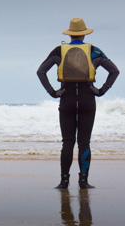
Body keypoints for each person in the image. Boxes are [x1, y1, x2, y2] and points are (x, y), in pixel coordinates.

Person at [36, 18, 119, 189]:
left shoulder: (59, 50)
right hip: (88, 98)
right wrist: (102, 90)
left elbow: (41, 71)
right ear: (83, 34)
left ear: (70, 34)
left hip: (66, 98)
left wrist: (52, 92)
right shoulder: (94, 51)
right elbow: (114, 71)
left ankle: (64, 181)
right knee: (84, 142)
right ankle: (83, 181)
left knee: (67, 142)